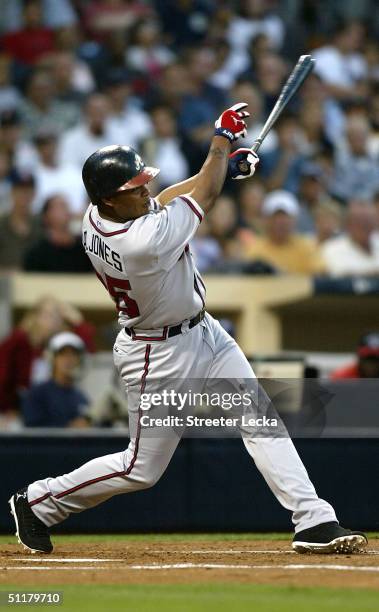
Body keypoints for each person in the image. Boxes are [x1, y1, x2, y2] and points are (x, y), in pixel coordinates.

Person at [9, 102, 367, 555]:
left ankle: (313, 518)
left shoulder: (101, 216)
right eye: (133, 189)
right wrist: (221, 143)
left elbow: (168, 198)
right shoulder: (142, 242)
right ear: (108, 200)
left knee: (261, 419)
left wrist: (225, 169)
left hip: (204, 332)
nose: (145, 192)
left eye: (141, 184)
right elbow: (203, 198)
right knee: (141, 468)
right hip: (156, 355)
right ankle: (39, 501)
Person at [245, 190, 326, 275]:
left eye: (285, 217)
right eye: (275, 216)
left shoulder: (307, 246)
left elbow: (321, 274)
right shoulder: (255, 248)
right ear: (266, 220)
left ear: (294, 219)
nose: (280, 222)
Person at [22, 332, 90, 428]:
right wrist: (69, 428)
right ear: (52, 358)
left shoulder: (81, 397)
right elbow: (32, 430)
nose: (69, 359)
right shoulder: (37, 394)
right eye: (62, 354)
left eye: (73, 354)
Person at [23, 194, 93, 273]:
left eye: (66, 206)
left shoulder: (85, 251)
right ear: (46, 216)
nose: (66, 210)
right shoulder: (36, 254)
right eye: (60, 206)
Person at [321, 200, 379, 277]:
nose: (365, 225)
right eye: (359, 221)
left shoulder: (377, 240)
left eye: (369, 221)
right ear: (347, 224)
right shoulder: (331, 248)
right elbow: (339, 277)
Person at [0, 171, 41, 270]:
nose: (24, 195)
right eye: (20, 190)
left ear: (34, 194)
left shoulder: (41, 224)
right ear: (12, 192)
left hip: (37, 281)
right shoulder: (2, 224)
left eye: (28, 190)